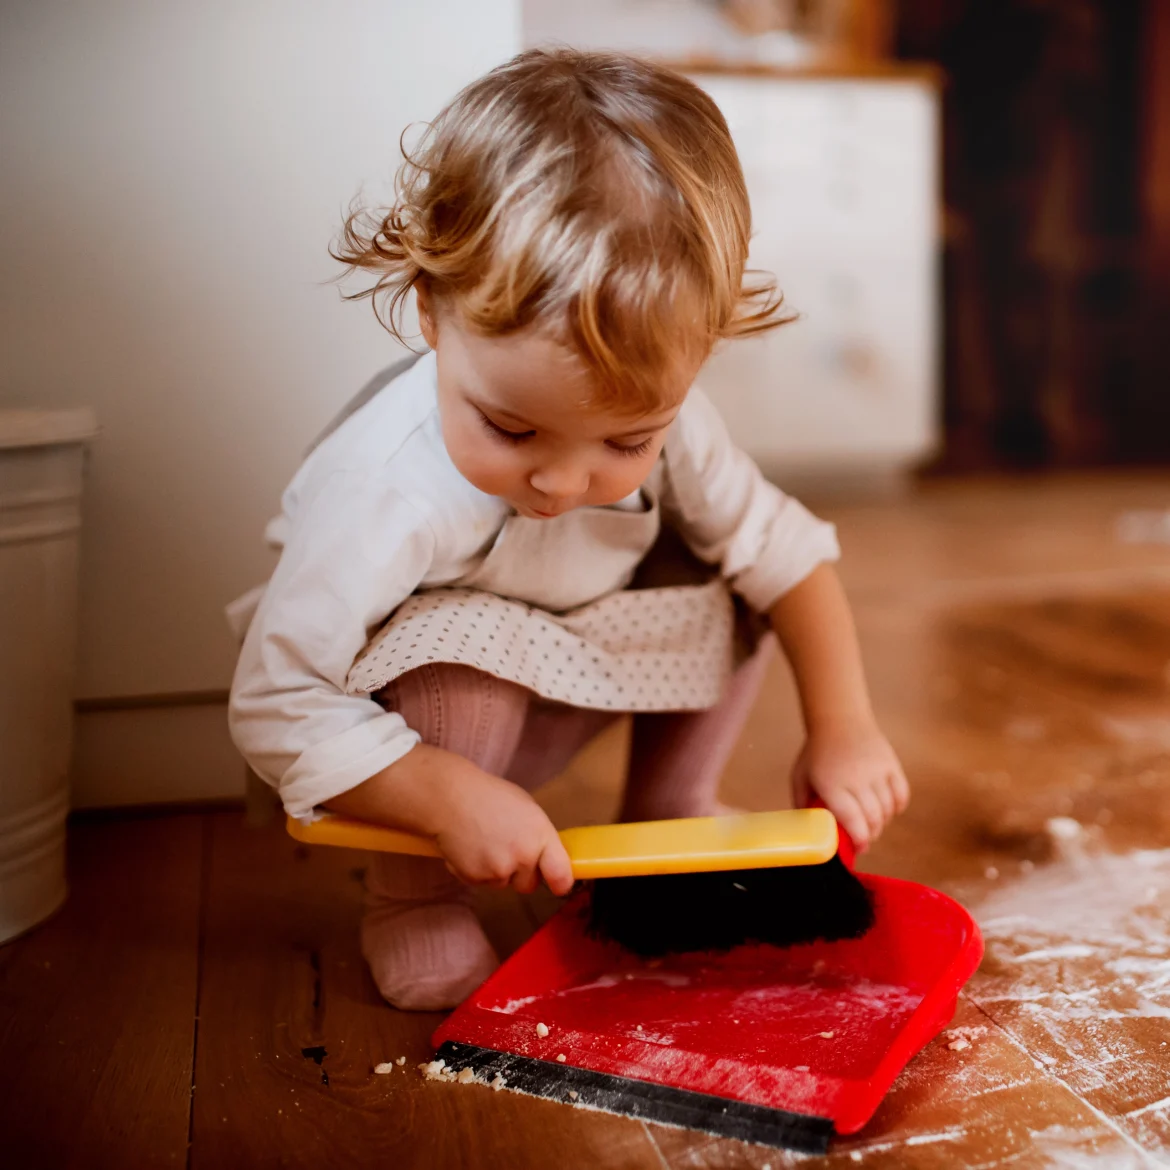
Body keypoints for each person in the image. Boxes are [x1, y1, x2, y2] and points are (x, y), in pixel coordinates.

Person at [229, 48, 909, 1011]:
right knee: (454, 674)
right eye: (511, 429)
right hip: (426, 728)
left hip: (580, 664)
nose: (560, 482)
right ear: (430, 310)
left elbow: (789, 556)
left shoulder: (679, 426)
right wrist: (443, 795)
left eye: (627, 441)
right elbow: (274, 699)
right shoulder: (383, 488)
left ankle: (667, 818)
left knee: (737, 579)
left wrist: (844, 728)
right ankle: (415, 894)